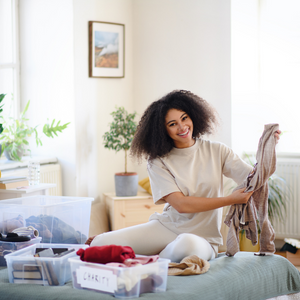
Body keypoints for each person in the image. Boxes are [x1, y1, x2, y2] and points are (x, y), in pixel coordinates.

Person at [87, 90, 281, 262]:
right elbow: (181, 205)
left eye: (185, 118)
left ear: (194, 116)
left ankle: (152, 259)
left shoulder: (217, 151)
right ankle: (153, 255)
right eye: (173, 124)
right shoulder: (158, 161)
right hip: (168, 227)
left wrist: (269, 148)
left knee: (186, 246)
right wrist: (229, 199)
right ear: (163, 131)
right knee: (100, 242)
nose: (182, 127)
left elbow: (254, 179)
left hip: (203, 239)